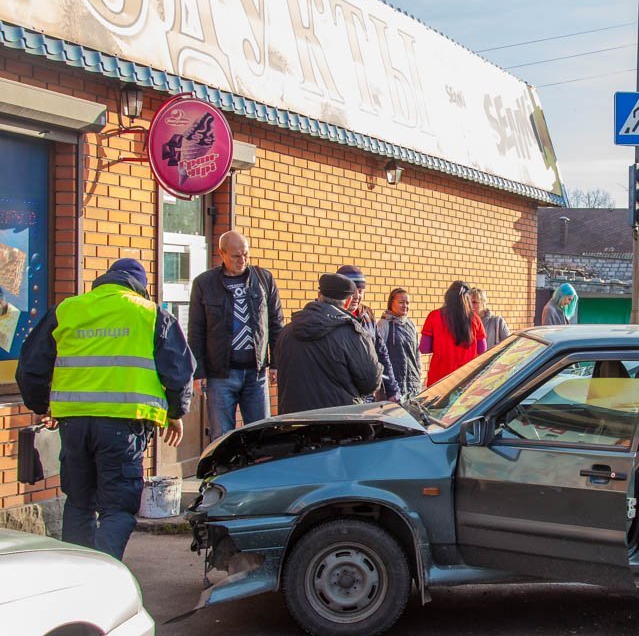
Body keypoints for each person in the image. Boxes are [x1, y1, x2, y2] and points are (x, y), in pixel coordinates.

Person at [16, 258, 195, 560]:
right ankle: (103, 574)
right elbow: (179, 373)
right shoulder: (150, 314)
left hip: (73, 426)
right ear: (140, 288)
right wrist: (175, 413)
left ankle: (78, 572)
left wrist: (42, 405)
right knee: (118, 509)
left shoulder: (67, 310)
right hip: (123, 427)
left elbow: (30, 367)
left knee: (79, 503)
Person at [188, 230, 283, 440]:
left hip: (256, 373)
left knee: (261, 434)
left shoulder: (263, 279)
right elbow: (196, 330)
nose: (242, 260)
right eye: (236, 256)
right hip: (220, 374)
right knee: (222, 436)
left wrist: (277, 363)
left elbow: (276, 323)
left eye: (246, 254)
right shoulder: (204, 283)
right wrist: (198, 371)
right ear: (221, 253)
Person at [275, 273, 382, 414]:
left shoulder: (287, 331)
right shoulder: (353, 334)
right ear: (348, 301)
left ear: (319, 296)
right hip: (337, 420)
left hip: (293, 420)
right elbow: (371, 382)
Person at [336, 264, 398, 402]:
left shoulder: (367, 315)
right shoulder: (331, 317)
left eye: (360, 291)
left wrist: (392, 390)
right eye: (352, 291)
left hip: (367, 396)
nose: (357, 296)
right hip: (342, 398)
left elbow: (381, 352)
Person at [421, 281, 486, 386]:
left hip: (439, 379)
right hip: (466, 379)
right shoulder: (475, 319)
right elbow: (482, 349)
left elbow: (424, 348)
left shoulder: (434, 316)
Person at [377, 287, 422, 400]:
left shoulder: (411, 325)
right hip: (393, 389)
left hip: (413, 386)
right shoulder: (383, 324)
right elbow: (379, 356)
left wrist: (419, 375)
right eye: (401, 302)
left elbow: (417, 353)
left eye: (407, 303)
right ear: (391, 303)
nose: (405, 306)